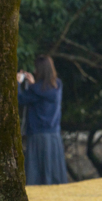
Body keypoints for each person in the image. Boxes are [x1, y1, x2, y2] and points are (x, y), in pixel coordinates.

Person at [17, 55, 67, 185]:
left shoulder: (35, 90)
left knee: (36, 173)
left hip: (37, 134)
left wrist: (17, 83)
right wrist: (33, 85)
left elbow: (20, 99)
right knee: (54, 173)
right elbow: (42, 92)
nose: (34, 71)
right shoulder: (57, 85)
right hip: (54, 134)